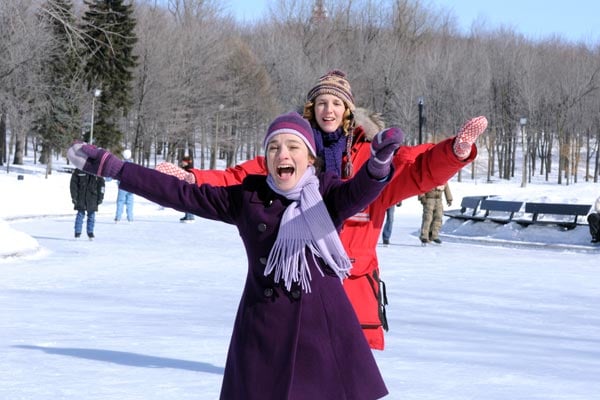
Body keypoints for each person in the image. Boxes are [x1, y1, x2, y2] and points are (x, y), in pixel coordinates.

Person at [67, 111, 402, 399]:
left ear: (310, 158)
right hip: (262, 330)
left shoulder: (327, 193)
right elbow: (181, 193)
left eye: (292, 146)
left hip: (323, 334)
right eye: (273, 147)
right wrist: (115, 168)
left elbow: (358, 193)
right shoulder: (248, 198)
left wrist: (377, 165)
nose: (281, 153)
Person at [156, 69, 487, 350]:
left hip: (351, 280)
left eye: (337, 103)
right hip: (299, 276)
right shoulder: (293, 149)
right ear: (312, 108)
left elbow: (417, 169)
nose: (329, 110)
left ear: (348, 111)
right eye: (322, 103)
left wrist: (455, 152)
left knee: (346, 380)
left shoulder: (373, 157)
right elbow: (241, 177)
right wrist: (193, 178)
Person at [70, 168, 105, 240]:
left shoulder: (98, 170)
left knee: (91, 216)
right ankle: (77, 232)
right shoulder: (79, 170)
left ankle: (90, 232)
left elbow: (102, 186)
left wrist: (100, 197)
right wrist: (74, 196)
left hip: (93, 198)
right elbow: (73, 185)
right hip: (81, 197)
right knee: (80, 214)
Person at [114, 149, 134, 223]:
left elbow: (116, 173)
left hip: (122, 185)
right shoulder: (133, 165)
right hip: (131, 186)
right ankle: (130, 218)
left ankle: (118, 218)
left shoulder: (120, 165)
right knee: (130, 202)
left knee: (120, 201)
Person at [179, 155, 195, 223]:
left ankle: (190, 216)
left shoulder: (189, 170)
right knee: (185, 202)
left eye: (184, 162)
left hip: (190, 187)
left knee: (189, 202)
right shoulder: (185, 169)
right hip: (186, 186)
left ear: (187, 162)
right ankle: (187, 215)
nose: (182, 163)